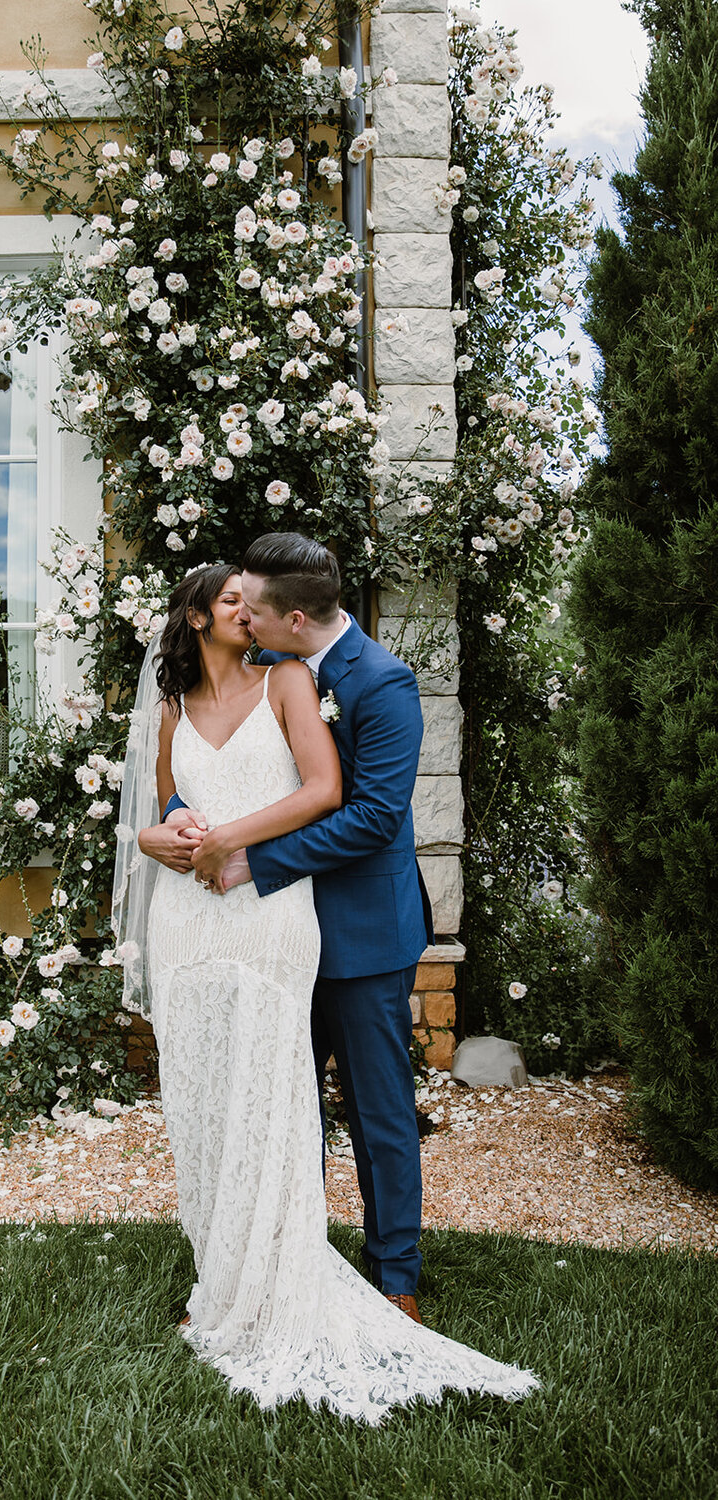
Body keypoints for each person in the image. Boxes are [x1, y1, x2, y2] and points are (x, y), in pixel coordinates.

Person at [116, 559, 537, 1421]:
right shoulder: (246, 681)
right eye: (233, 602)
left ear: (291, 617)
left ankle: (396, 1280)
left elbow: (371, 815)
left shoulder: (371, 680)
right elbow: (177, 798)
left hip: (347, 923)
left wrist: (242, 856)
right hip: (248, 918)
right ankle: (270, 1260)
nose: (249, 617)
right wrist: (176, 837)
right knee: (271, 1102)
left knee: (377, 1109)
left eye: (257, 605)